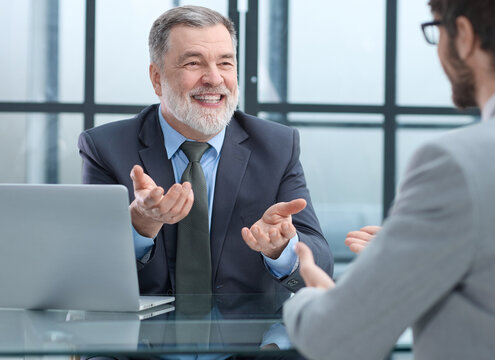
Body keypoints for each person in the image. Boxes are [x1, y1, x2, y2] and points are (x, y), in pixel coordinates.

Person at [283, 0, 495, 359]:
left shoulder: (456, 163)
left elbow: (335, 338)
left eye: (437, 32)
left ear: (464, 35)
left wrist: (312, 295)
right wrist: (413, 251)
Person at [78, 5, 333, 298]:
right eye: (193, 64)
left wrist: (281, 249)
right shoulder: (106, 148)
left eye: (225, 63)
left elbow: (322, 269)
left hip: (252, 341)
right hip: (142, 338)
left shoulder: (276, 146)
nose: (214, 79)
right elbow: (87, 274)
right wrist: (139, 225)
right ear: (157, 78)